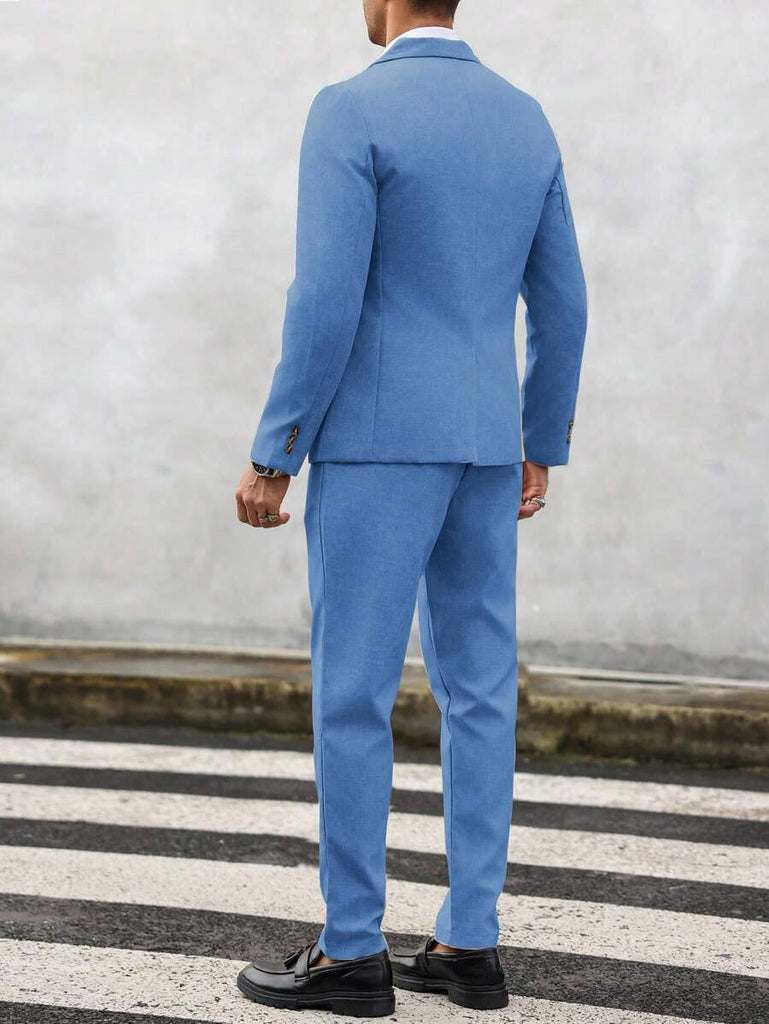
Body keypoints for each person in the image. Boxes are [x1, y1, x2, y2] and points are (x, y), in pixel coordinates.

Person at [234, 0, 587, 1015]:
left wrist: (276, 450)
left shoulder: (351, 109)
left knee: (354, 691)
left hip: (378, 445)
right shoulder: (523, 116)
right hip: (486, 445)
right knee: (479, 692)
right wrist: (539, 439)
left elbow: (325, 297)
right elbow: (562, 302)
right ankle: (468, 943)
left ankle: (352, 950)